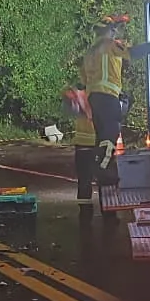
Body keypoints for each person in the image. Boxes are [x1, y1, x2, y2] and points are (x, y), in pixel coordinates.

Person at [81, 16, 150, 186]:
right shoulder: (109, 45)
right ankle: (101, 168)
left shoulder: (91, 51)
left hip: (95, 98)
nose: (115, 31)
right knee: (110, 134)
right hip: (107, 96)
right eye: (112, 28)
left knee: (102, 136)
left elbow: (86, 78)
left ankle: (106, 171)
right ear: (106, 31)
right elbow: (131, 53)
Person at [64, 86, 97, 221]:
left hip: (84, 144)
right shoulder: (100, 94)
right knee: (105, 179)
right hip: (98, 142)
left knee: (84, 181)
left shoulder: (80, 96)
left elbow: (73, 111)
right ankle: (108, 213)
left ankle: (85, 214)